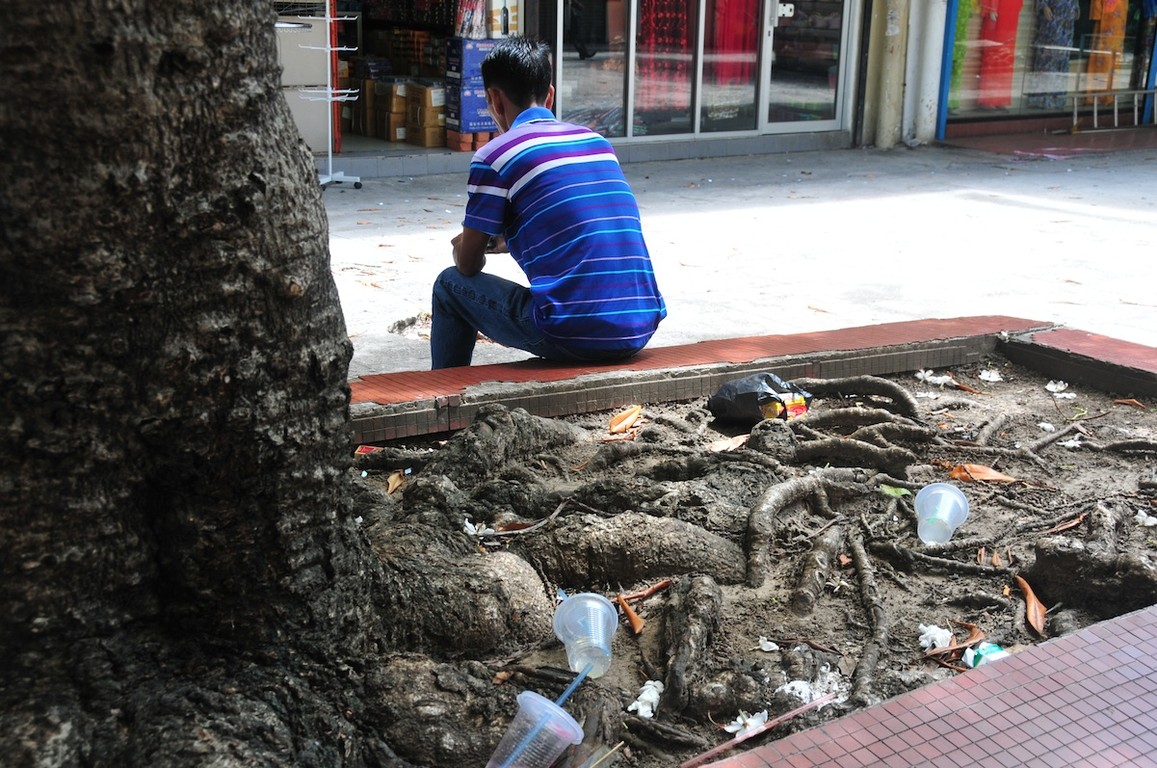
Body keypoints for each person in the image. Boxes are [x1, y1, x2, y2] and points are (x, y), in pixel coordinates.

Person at [430, 37, 666, 370]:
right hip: (640, 326)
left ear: (494, 99)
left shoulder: (495, 155)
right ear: (550, 95)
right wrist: (507, 240)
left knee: (449, 285)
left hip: (572, 333)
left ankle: (445, 391)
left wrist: (464, 247)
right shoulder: (597, 143)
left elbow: (468, 266)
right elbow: (575, 225)